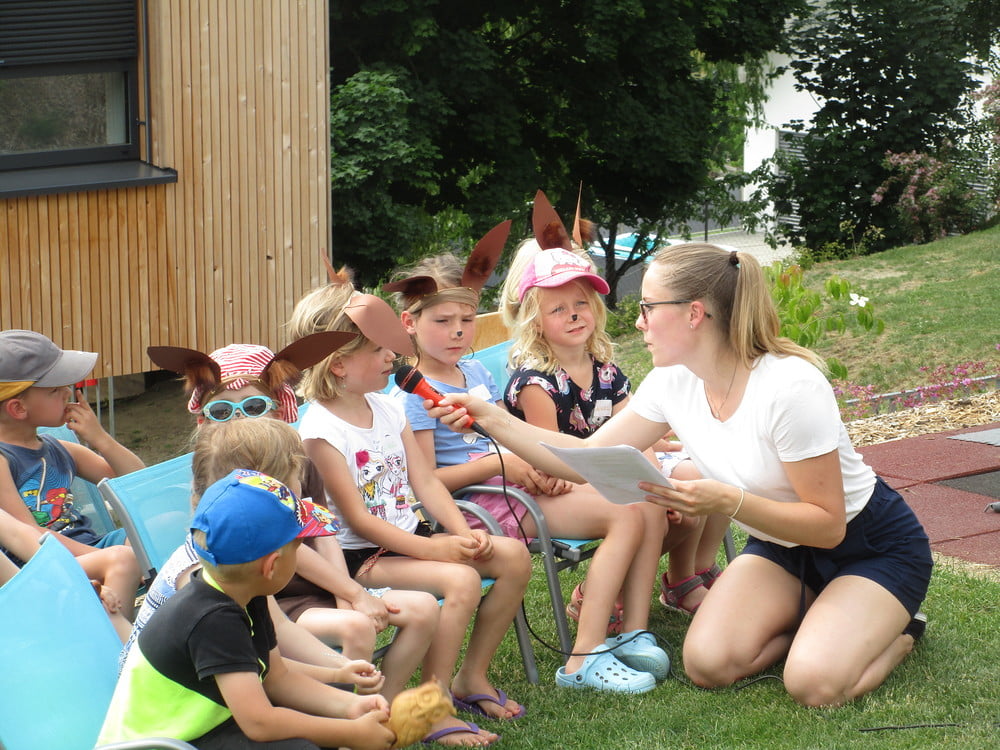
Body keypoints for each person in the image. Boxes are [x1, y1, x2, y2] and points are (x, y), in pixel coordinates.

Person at [425, 242, 933, 708]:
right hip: (782, 549)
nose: (638, 321)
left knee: (813, 686)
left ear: (693, 313)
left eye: (648, 307)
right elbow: (585, 457)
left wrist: (728, 501)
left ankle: (899, 633)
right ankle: (824, 616)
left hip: (869, 547)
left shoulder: (791, 387)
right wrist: (487, 416)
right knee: (708, 665)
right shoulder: (672, 382)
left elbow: (828, 526)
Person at [387, 239, 671, 695]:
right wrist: (502, 467)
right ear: (409, 323)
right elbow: (426, 483)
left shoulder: (474, 374)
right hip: (481, 506)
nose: (458, 332)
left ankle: (633, 631)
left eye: (466, 320)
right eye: (443, 321)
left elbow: (508, 436)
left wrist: (535, 466)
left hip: (517, 486)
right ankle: (583, 657)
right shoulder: (410, 399)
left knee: (641, 498)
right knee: (626, 512)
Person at [289, 272, 532, 746]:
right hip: (360, 559)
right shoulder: (321, 432)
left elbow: (425, 480)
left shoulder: (387, 407)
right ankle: (431, 706)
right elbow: (358, 521)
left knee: (513, 556)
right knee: (461, 579)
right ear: (339, 364)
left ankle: (471, 676)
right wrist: (437, 551)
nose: (393, 358)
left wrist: (460, 531)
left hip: (409, 540)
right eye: (380, 350)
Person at [147, 337, 440, 693]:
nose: (239, 419)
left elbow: (323, 533)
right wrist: (351, 596)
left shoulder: (297, 463)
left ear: (278, 409)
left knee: (423, 608)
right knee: (356, 626)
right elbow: (284, 549)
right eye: (222, 411)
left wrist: (345, 595)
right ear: (204, 420)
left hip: (322, 584)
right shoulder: (223, 482)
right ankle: (347, 716)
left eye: (253, 406)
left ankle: (384, 708)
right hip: (270, 595)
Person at [499, 236, 724, 616]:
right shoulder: (536, 383)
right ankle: (604, 591)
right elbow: (551, 455)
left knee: (702, 479)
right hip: (568, 477)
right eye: (558, 309)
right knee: (658, 509)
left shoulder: (605, 369)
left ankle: (684, 577)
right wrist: (652, 491)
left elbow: (640, 436)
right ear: (535, 322)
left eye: (581, 304)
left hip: (616, 465)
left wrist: (659, 483)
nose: (574, 315)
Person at [99, 468, 395, 750]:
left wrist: (350, 704)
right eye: (299, 548)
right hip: (160, 742)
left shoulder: (246, 594)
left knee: (313, 725)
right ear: (272, 565)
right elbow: (259, 723)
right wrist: (351, 733)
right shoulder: (212, 620)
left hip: (204, 727)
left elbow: (276, 677)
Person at [118, 417, 390, 695]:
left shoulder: (240, 557)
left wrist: (341, 666)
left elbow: (281, 630)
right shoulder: (203, 584)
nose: (302, 484)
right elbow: (259, 691)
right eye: (297, 476)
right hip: (173, 703)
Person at [0, 329, 143, 640]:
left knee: (162, 524)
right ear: (18, 408)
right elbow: (30, 536)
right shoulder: (3, 459)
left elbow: (137, 484)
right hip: (38, 566)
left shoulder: (58, 448)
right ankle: (114, 651)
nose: (69, 392)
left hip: (89, 549)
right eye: (56, 389)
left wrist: (100, 438)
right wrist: (107, 555)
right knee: (123, 558)